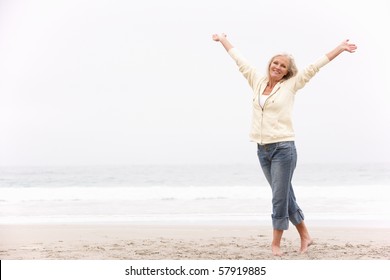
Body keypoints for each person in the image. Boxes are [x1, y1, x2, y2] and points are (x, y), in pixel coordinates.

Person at [212, 33, 357, 256]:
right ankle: (306, 235)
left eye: (283, 66)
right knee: (285, 194)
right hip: (262, 150)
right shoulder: (257, 81)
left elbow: (313, 67)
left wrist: (339, 48)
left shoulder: (291, 85)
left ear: (288, 71)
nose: (278, 67)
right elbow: (238, 59)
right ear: (270, 64)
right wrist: (223, 40)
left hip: (283, 149)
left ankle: (276, 243)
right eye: (275, 63)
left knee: (279, 197)